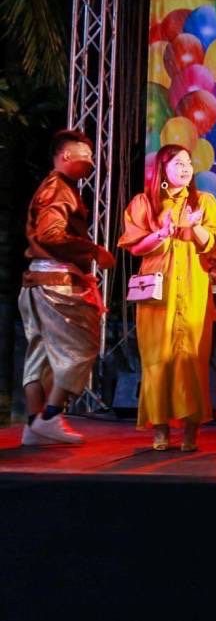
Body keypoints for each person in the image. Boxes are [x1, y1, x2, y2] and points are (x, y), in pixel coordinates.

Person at [117, 144, 216, 452]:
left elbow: (215, 244)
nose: (185, 168)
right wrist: (162, 233)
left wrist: (196, 228)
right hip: (157, 292)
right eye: (178, 163)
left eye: (188, 163)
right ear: (162, 168)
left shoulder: (205, 202)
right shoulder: (144, 203)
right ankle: (160, 429)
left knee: (192, 359)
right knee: (157, 359)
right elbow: (135, 246)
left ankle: (191, 431)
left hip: (193, 287)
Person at [18, 129, 114, 446]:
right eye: (85, 154)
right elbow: (50, 235)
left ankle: (34, 425)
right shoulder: (58, 189)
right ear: (65, 155)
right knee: (82, 346)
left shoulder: (58, 187)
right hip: (56, 284)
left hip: (38, 280)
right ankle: (50, 416)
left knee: (41, 354)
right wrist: (93, 251)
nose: (91, 161)